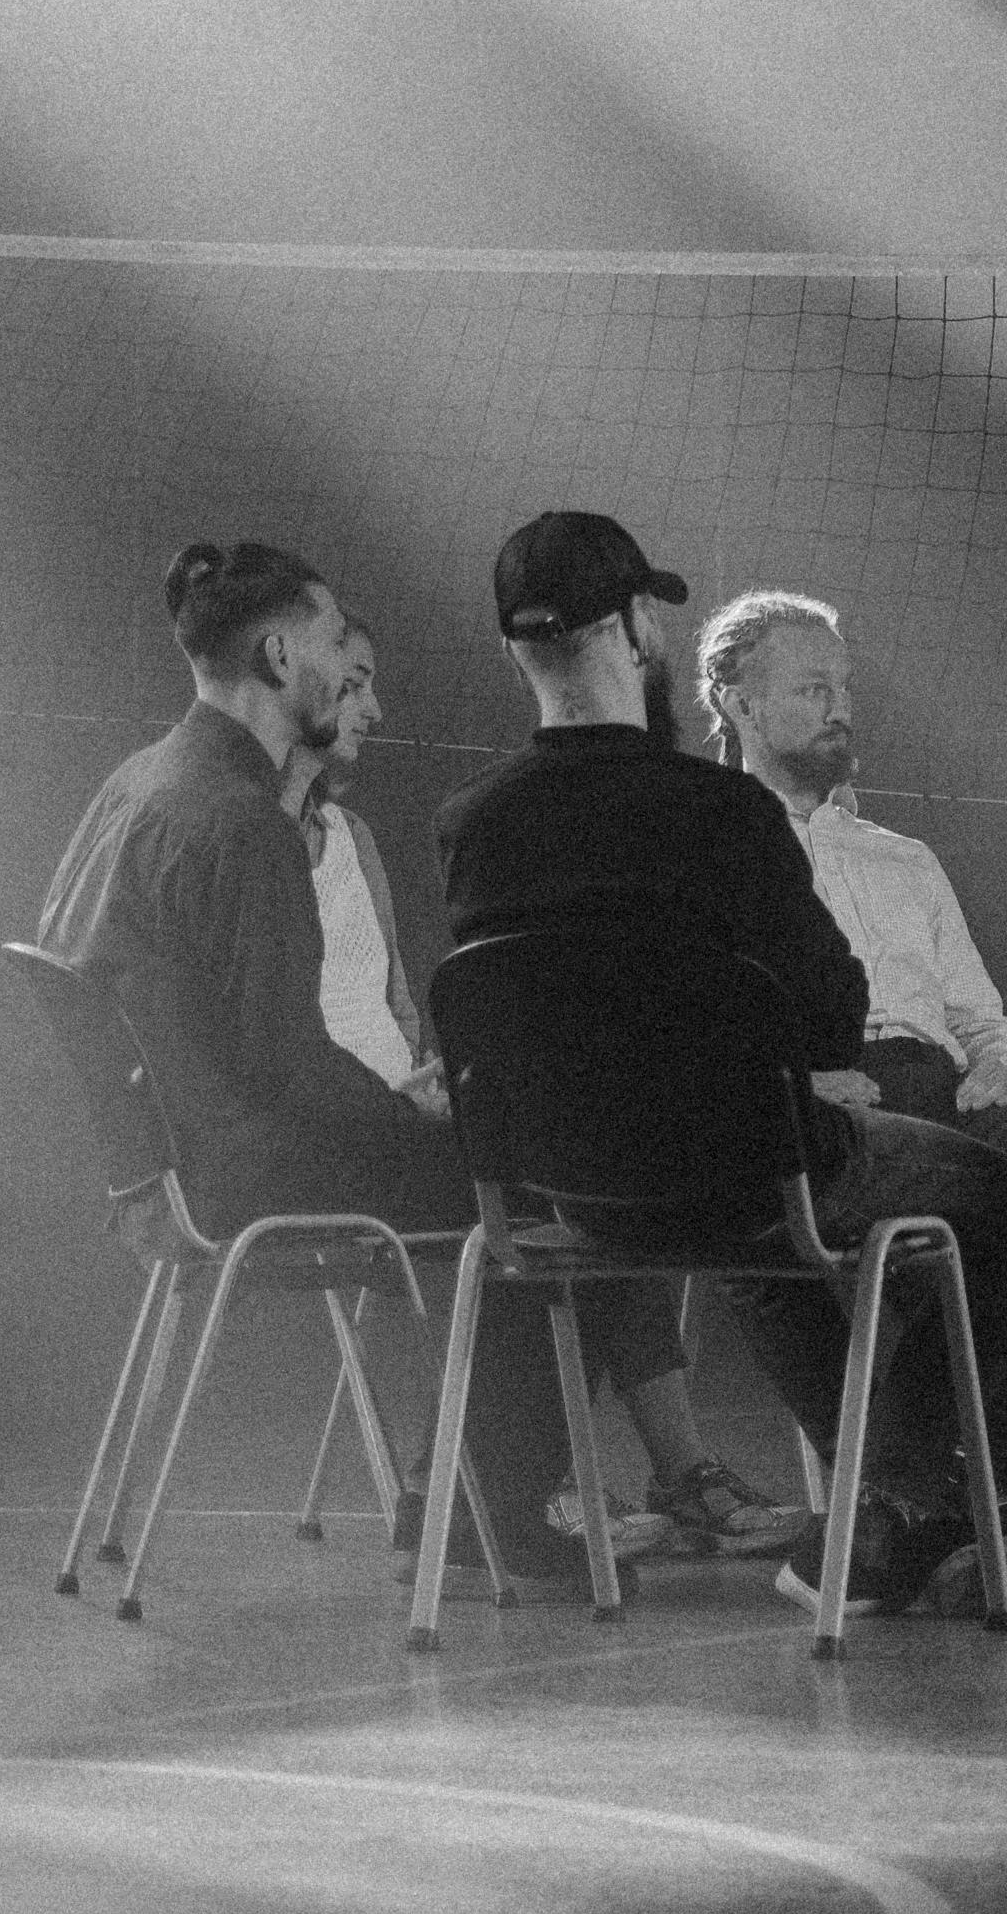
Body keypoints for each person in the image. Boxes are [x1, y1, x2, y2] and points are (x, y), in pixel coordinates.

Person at [435, 507, 1007, 1619]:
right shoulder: (721, 811)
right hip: (746, 1176)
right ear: (638, 629)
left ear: (513, 648)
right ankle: (919, 1483)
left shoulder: (470, 824)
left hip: (566, 1200)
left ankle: (901, 1494)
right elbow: (830, 1007)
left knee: (770, 1216)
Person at [35, 532, 593, 1591]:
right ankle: (488, 1510)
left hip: (172, 1168)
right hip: (250, 1176)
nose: (351, 665)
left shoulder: (134, 782)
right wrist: (425, 1117)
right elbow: (291, 1073)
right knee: (541, 1180)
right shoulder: (246, 824)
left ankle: (462, 1494)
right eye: (339, 639)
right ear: (283, 659)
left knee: (495, 1152)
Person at [291, 620, 794, 1564]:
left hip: (404, 1097)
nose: (373, 707)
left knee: (574, 1142)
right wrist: (402, 1101)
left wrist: (432, 1069)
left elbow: (395, 996)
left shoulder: (349, 834)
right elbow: (284, 1036)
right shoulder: (251, 836)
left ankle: (474, 1486)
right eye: (354, 684)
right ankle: (520, 1493)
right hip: (352, 1126)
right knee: (569, 1170)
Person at [695, 586, 1007, 1533]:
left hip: (945, 1092)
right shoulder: (708, 847)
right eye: (809, 690)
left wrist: (1004, 1069)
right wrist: (791, 1079)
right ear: (735, 703)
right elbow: (698, 1016)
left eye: (843, 687)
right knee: (791, 1214)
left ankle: (992, 1430)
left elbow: (983, 1016)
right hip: (823, 1104)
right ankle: (955, 1463)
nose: (840, 708)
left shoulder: (904, 857)